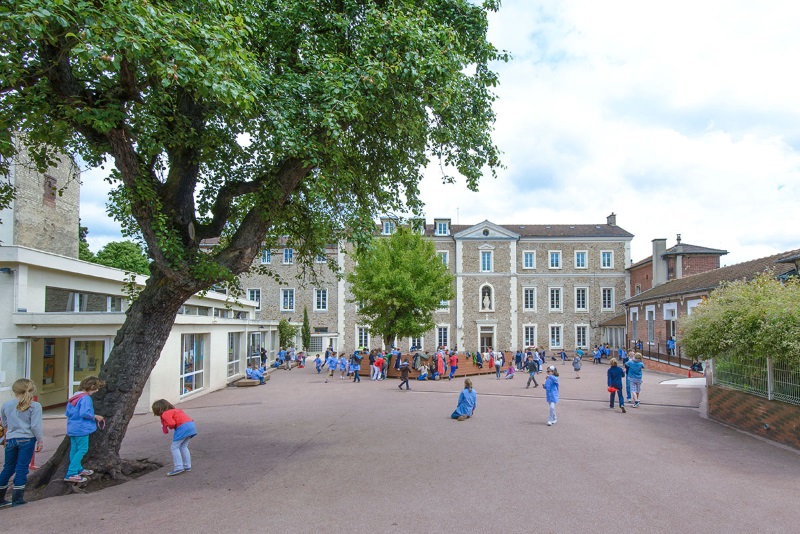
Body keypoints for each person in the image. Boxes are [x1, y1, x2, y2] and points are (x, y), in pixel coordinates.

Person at [0, 379, 44, 507]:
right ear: (32, 389)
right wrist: (40, 440)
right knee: (22, 468)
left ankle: (1, 499)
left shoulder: (6, 405)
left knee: (7, 468)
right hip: (27, 439)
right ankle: (17, 499)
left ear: (14, 391)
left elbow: (5, 422)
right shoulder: (35, 406)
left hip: (11, 438)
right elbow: (35, 426)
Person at [65, 376, 105, 483]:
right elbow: (84, 413)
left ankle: (78, 468)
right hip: (82, 428)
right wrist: (96, 416)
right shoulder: (86, 398)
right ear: (91, 387)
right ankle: (71, 472)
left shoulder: (74, 397)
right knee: (82, 449)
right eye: (96, 388)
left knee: (74, 449)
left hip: (72, 427)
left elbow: (67, 413)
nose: (96, 391)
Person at [152, 399, 198, 476]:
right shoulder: (176, 410)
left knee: (174, 447)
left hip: (182, 428)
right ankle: (187, 466)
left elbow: (171, 423)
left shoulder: (165, 414)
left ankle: (178, 467)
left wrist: (169, 427)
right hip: (191, 426)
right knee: (183, 446)